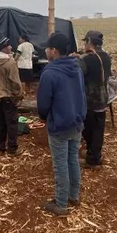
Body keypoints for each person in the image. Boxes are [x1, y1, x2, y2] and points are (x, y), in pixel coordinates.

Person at [37, 32, 86, 216]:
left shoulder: (50, 73)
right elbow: (81, 94)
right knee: (72, 159)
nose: (46, 50)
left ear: (54, 51)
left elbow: (43, 104)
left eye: (47, 48)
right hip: (76, 122)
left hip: (59, 125)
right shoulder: (77, 67)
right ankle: (74, 196)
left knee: (60, 164)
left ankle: (61, 203)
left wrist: (44, 117)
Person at [77, 30, 112, 168]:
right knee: (98, 128)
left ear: (89, 42)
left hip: (89, 100)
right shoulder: (107, 56)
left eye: (85, 41)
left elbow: (79, 76)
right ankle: (94, 153)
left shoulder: (86, 59)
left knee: (89, 128)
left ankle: (93, 159)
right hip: (103, 98)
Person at [0, 36, 24, 155]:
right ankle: (12, 149)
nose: (11, 47)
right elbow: (15, 82)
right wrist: (19, 95)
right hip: (8, 97)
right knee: (12, 123)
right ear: (4, 48)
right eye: (9, 45)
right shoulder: (10, 62)